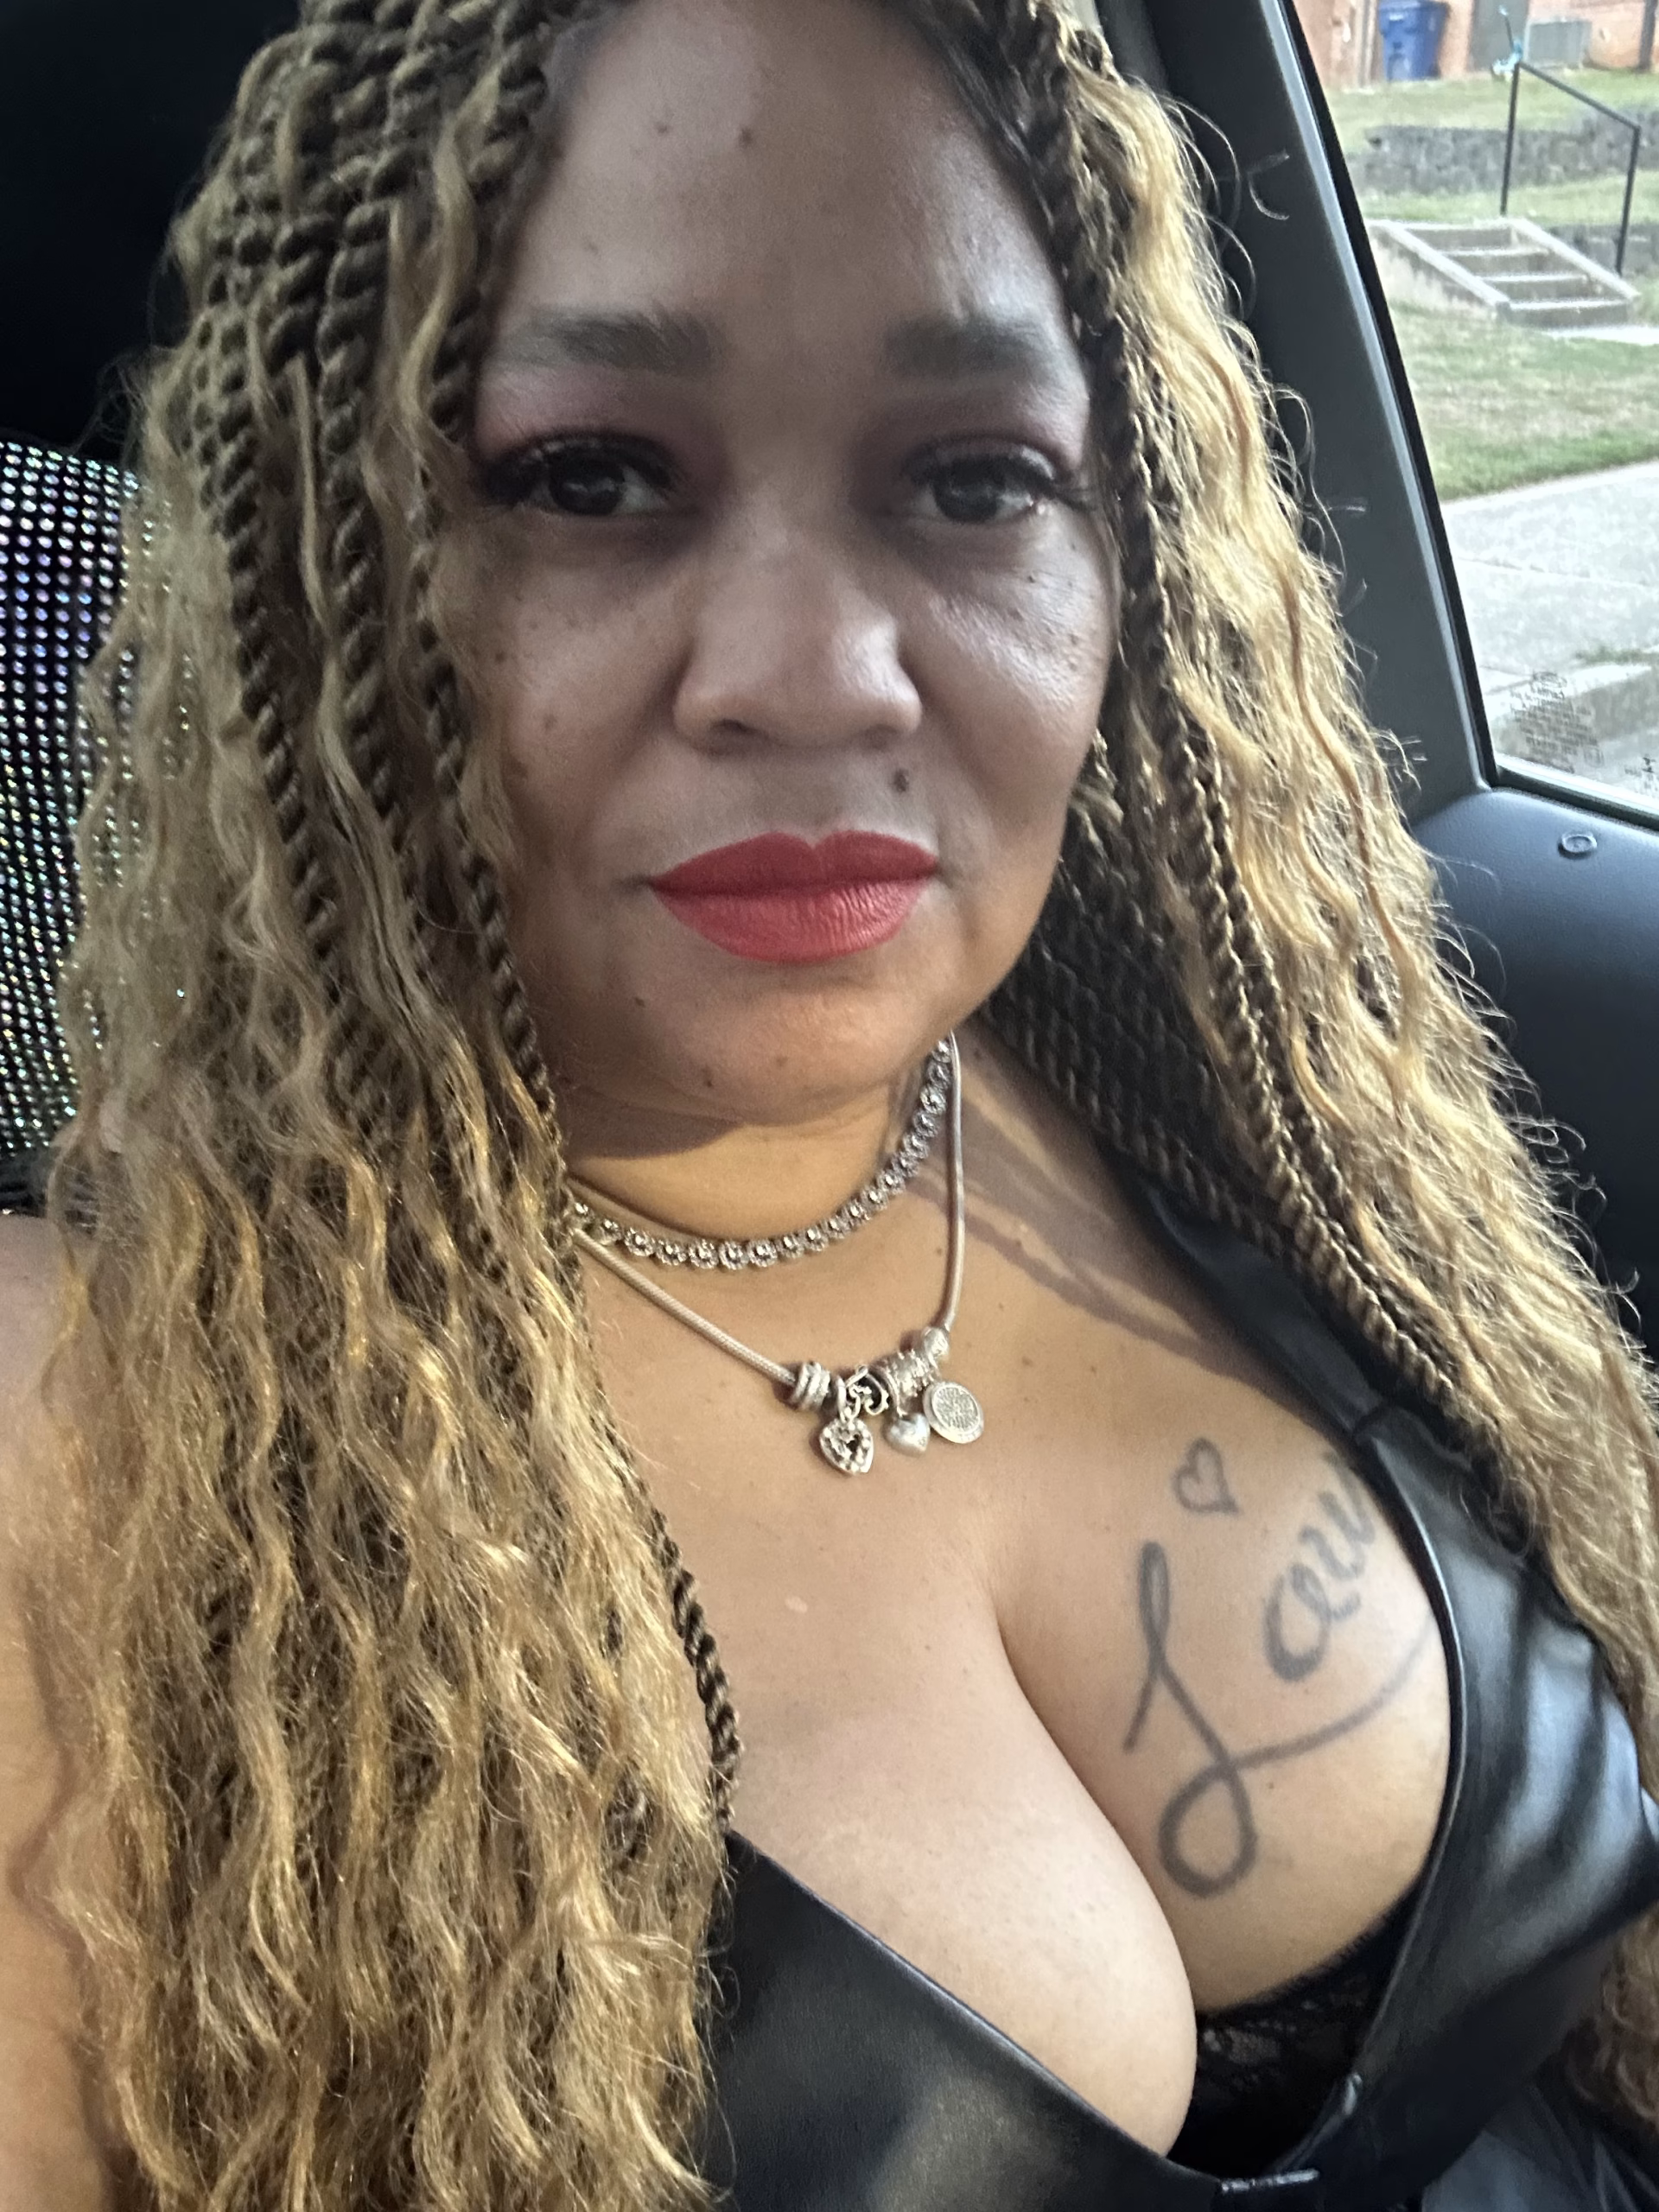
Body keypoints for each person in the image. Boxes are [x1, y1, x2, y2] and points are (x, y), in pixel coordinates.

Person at [3, 0, 1659, 2205]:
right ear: (333, 575)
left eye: (974, 480)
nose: (814, 673)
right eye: (589, 477)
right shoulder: (96, 1442)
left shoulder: (1240, 1095)